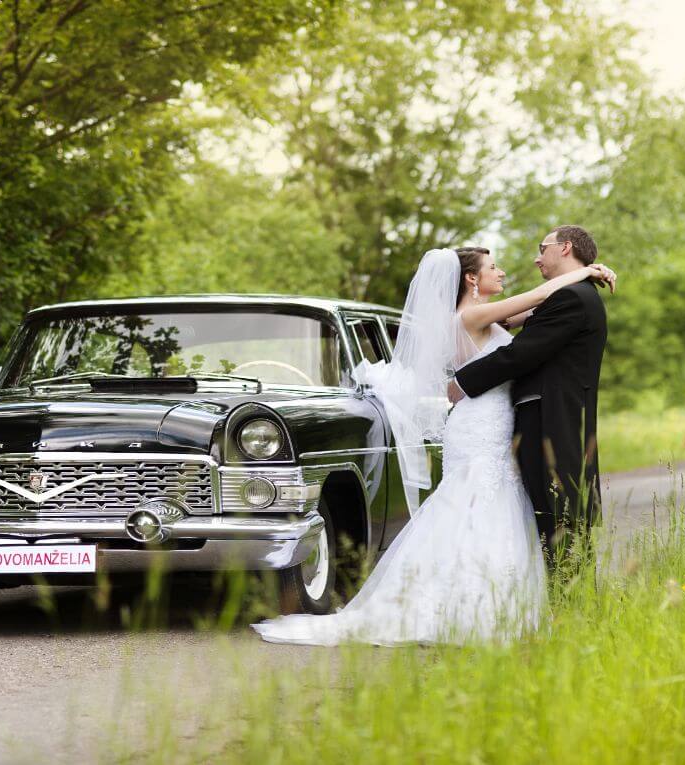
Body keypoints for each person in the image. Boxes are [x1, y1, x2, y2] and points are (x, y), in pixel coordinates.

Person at [251, 246, 615, 646]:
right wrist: (585, 272)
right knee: (479, 503)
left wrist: (578, 278)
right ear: (471, 279)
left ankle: (489, 603)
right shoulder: (471, 315)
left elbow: (537, 315)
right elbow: (536, 299)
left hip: (487, 420)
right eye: (493, 267)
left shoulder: (486, 316)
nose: (503, 271)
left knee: (484, 505)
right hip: (480, 421)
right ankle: (468, 610)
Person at [454, 226, 609, 573]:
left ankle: (571, 606)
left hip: (553, 426)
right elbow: (509, 323)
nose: (537, 257)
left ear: (566, 248)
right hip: (542, 425)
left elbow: (519, 355)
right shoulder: (569, 296)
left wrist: (461, 382)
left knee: (558, 521)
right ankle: (567, 604)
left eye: (543, 248)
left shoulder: (571, 298)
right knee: (553, 522)